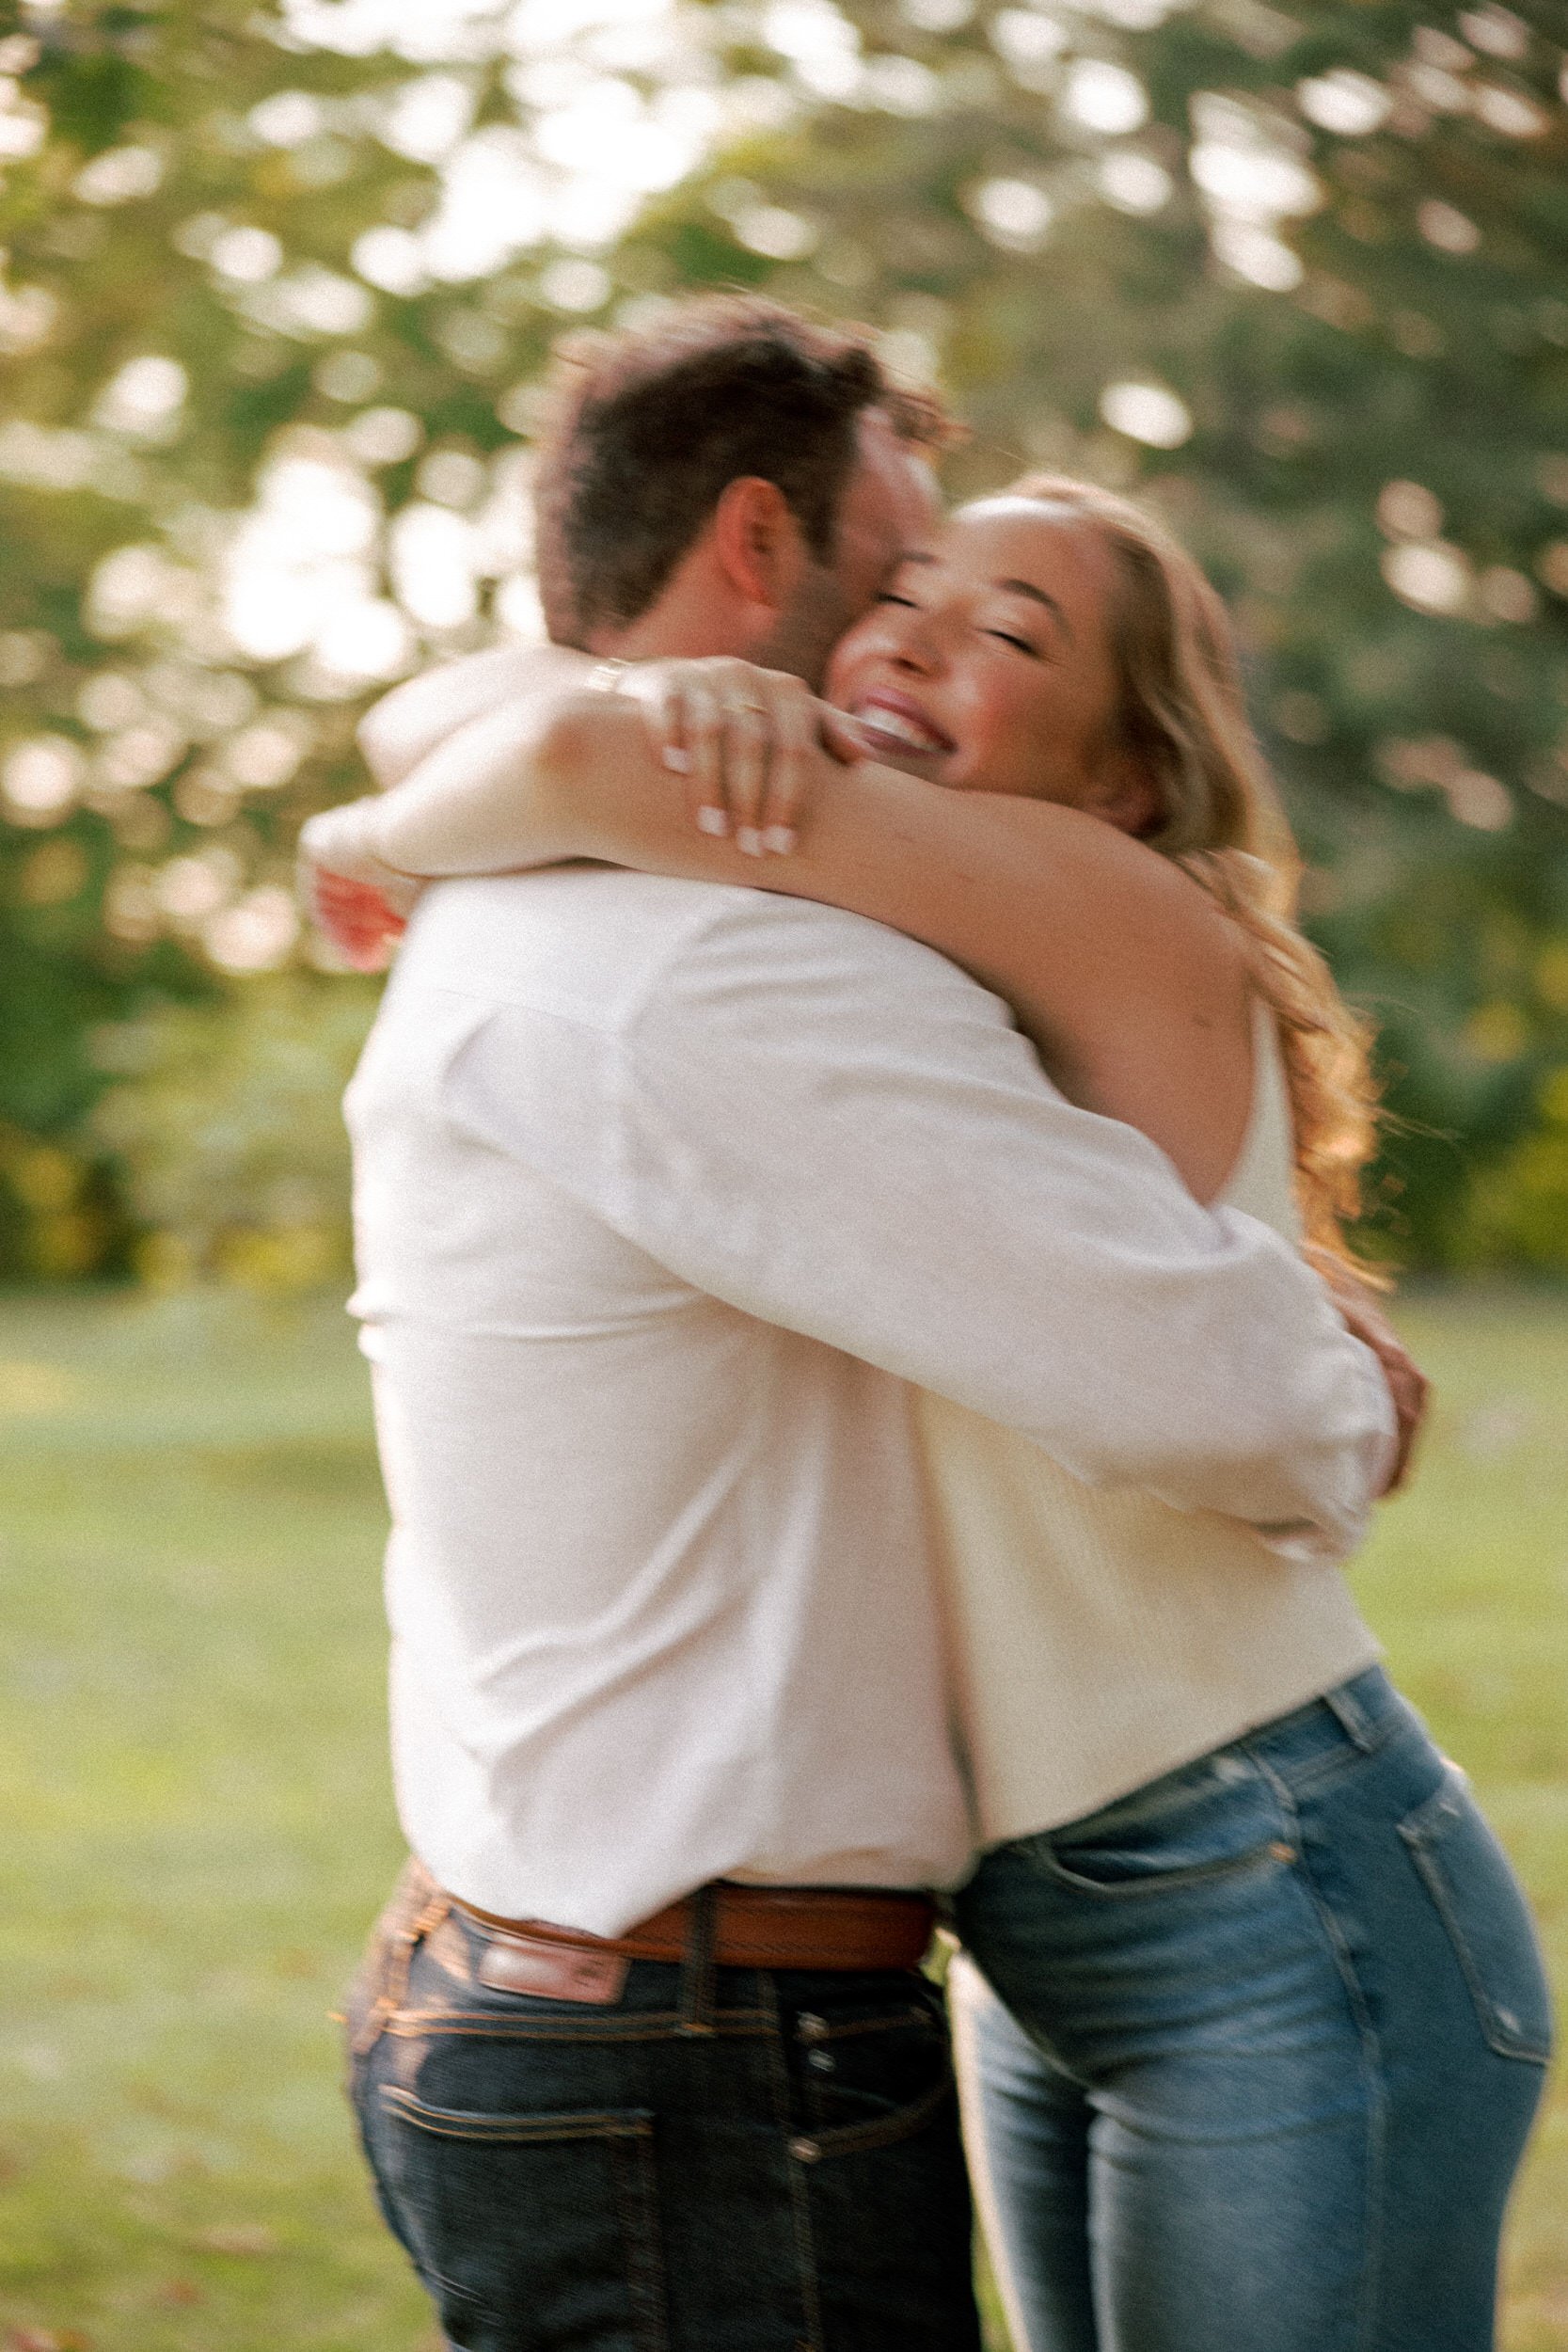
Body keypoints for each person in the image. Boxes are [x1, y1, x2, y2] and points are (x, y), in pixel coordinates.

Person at [308, 300, 1422, 2352]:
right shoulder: (707, 961)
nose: (901, 635)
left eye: (992, 620)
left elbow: (524, 724)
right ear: (757, 547)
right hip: (686, 2047)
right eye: (899, 571)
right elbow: (1247, 1405)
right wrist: (1333, 1373)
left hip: (574, 1979)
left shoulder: (571, 885)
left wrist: (382, 821)